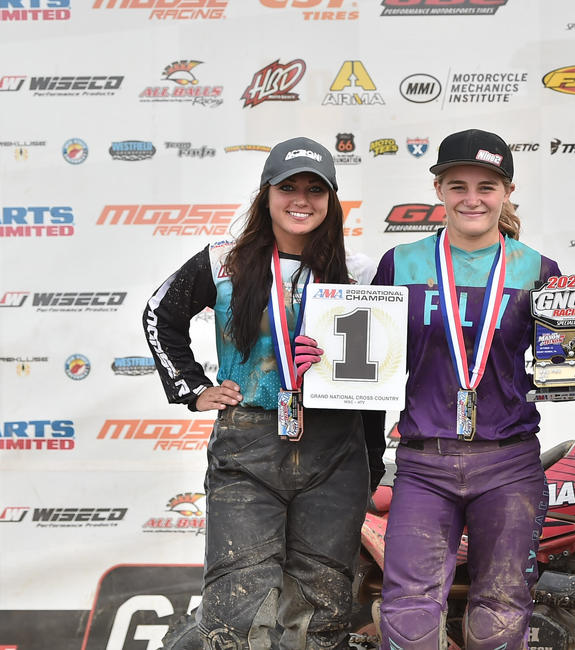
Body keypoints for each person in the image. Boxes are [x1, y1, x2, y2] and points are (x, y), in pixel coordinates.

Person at [371, 129, 575, 649]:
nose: (471, 197)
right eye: (457, 184)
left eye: (486, 185)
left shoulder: (538, 271)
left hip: (508, 464)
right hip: (424, 460)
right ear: (438, 189)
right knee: (409, 611)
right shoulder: (400, 263)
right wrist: (320, 356)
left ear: (506, 191)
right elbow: (369, 361)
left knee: (502, 612)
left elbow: (571, 374)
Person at [142, 136, 386, 650]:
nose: (301, 200)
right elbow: (159, 313)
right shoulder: (222, 261)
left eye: (315, 190)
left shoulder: (358, 271)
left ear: (332, 200)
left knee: (321, 612)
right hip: (248, 443)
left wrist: (373, 455)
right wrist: (193, 389)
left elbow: (379, 375)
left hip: (336, 450)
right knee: (237, 609)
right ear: (266, 194)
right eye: (288, 187)